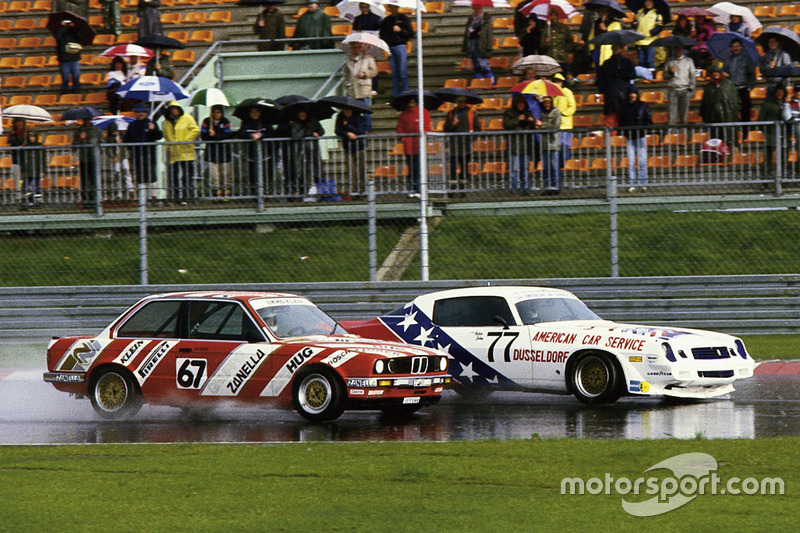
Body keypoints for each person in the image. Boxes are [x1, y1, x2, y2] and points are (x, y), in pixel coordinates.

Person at [162, 101, 200, 204]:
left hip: (186, 152)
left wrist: (186, 140)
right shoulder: (167, 122)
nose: (174, 111)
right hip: (174, 154)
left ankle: (187, 196)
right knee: (174, 176)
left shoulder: (187, 118)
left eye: (175, 108)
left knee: (187, 176)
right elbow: (167, 137)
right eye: (171, 109)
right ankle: (176, 197)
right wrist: (168, 147)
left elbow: (195, 130)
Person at [123, 103, 163, 201]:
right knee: (140, 176)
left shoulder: (151, 123)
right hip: (137, 155)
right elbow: (127, 139)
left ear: (146, 113)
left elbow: (159, 136)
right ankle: (143, 197)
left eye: (142, 112)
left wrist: (152, 130)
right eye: (138, 112)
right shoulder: (132, 125)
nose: (140, 114)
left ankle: (153, 196)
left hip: (149, 154)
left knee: (151, 175)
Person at [444, 96, 481, 194]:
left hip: (466, 144)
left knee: (464, 167)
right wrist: (453, 124)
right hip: (454, 145)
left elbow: (477, 128)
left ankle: (463, 188)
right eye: (460, 102)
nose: (461, 104)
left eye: (463, 102)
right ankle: (452, 188)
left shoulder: (471, 113)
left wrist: (471, 138)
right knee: (453, 167)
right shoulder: (451, 113)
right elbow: (446, 128)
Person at [618, 86, 652, 192]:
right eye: (631, 93)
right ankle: (632, 183)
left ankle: (643, 184)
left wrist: (644, 130)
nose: (632, 95)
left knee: (642, 161)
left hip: (640, 137)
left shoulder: (643, 105)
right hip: (630, 138)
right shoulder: (624, 107)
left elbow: (648, 120)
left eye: (634, 93)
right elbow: (621, 122)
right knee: (631, 162)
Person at [396, 96, 431, 198]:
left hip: (419, 144)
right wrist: (404, 138)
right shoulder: (404, 114)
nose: (411, 103)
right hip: (409, 144)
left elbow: (427, 126)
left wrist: (423, 134)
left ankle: (419, 189)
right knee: (411, 167)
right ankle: (412, 188)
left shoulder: (424, 112)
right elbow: (400, 128)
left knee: (419, 167)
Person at [596, 43, 636, 130]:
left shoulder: (626, 62)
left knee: (621, 119)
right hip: (613, 95)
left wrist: (620, 74)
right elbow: (601, 79)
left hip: (620, 94)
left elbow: (632, 75)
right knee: (611, 120)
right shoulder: (607, 63)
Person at [502, 93, 536, 194]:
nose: (521, 106)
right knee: (515, 170)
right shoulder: (508, 113)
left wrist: (532, 122)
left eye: (523, 104)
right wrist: (517, 119)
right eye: (519, 104)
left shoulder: (528, 113)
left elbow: (534, 127)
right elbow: (506, 125)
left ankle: (526, 189)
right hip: (514, 146)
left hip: (526, 146)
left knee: (525, 169)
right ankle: (514, 189)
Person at [287, 107, 325, 197]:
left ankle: (317, 190)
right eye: (300, 113)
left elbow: (321, 131)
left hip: (313, 150)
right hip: (299, 151)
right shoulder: (295, 123)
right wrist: (308, 131)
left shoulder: (313, 121)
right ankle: (301, 191)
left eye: (303, 112)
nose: (302, 115)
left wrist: (318, 133)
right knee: (300, 171)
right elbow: (295, 136)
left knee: (316, 169)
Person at [700, 65, 740, 147]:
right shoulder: (708, 87)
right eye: (714, 74)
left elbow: (736, 100)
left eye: (717, 73)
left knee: (730, 140)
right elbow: (704, 102)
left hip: (728, 117)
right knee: (716, 141)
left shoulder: (729, 85)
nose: (716, 75)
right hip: (713, 118)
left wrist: (734, 112)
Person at [238, 106, 274, 196]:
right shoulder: (246, 122)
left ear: (260, 112)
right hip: (251, 154)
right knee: (252, 174)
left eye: (256, 111)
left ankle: (266, 193)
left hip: (265, 154)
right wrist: (251, 135)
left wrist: (261, 134)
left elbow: (271, 133)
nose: (254, 113)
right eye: (252, 112)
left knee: (266, 174)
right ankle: (254, 193)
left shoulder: (265, 122)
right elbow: (241, 133)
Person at [379, 2, 413, 99]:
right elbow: (382, 34)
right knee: (394, 73)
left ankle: (405, 92)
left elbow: (410, 34)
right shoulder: (387, 20)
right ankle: (395, 95)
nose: (392, 9)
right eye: (391, 7)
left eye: (394, 7)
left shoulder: (404, 19)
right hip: (390, 47)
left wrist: (400, 31)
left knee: (402, 71)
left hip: (400, 46)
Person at [757, 84, 791, 176]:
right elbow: (760, 119)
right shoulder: (767, 104)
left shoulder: (788, 104)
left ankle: (783, 179)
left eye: (781, 91)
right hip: (771, 134)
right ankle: (765, 181)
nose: (779, 93)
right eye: (778, 91)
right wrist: (766, 131)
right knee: (768, 159)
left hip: (785, 135)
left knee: (784, 159)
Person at [343, 41, 377, 132]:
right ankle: (358, 131)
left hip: (364, 89)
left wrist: (365, 74)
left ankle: (367, 131)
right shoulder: (348, 60)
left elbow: (374, 71)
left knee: (366, 113)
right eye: (354, 47)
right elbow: (346, 74)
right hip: (352, 90)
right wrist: (347, 83)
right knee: (355, 114)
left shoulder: (367, 58)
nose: (356, 49)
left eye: (358, 47)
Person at [334, 107, 369, 196]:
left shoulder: (358, 117)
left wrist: (348, 125)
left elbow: (360, 131)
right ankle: (354, 191)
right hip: (348, 147)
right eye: (345, 109)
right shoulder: (340, 117)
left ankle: (363, 190)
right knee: (351, 169)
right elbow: (337, 130)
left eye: (349, 110)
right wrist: (347, 133)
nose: (347, 111)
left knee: (361, 169)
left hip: (359, 146)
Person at [201, 105, 233, 198]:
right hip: (212, 153)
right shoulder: (207, 121)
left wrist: (215, 135)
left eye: (218, 112)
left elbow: (227, 135)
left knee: (225, 174)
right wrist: (209, 135)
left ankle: (226, 194)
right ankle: (216, 194)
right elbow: (203, 136)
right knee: (214, 176)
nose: (216, 114)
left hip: (224, 153)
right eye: (214, 112)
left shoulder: (225, 121)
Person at [722, 38, 756, 124]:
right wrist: (724, 74)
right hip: (731, 89)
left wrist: (749, 87)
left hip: (743, 88)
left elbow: (752, 74)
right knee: (731, 112)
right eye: (733, 47)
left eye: (737, 46)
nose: (735, 48)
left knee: (745, 112)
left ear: (741, 47)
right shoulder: (727, 60)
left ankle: (745, 133)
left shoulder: (747, 59)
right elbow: (723, 72)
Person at [72, 117, 103, 206]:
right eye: (85, 119)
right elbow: (74, 146)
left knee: (94, 179)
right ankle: (85, 199)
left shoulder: (96, 130)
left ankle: (95, 198)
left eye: (88, 119)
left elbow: (101, 142)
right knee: (84, 180)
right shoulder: (79, 131)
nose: (86, 121)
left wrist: (98, 152)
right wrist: (81, 139)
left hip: (94, 158)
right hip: (83, 158)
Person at [664, 45, 696, 127]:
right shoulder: (669, 61)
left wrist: (691, 88)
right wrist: (671, 72)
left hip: (685, 89)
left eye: (681, 49)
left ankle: (683, 132)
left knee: (684, 113)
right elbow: (665, 76)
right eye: (677, 49)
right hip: (673, 89)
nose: (679, 50)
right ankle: (670, 132)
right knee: (671, 113)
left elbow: (692, 75)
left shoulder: (689, 61)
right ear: (674, 50)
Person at [101, 122, 134, 199]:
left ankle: (130, 188)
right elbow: (108, 149)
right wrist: (113, 157)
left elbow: (127, 143)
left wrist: (121, 142)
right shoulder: (108, 139)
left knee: (127, 171)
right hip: (116, 158)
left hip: (123, 156)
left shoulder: (122, 136)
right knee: (117, 173)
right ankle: (118, 192)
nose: (115, 132)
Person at [463, 4, 494, 82]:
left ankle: (490, 80)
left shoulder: (486, 19)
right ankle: (478, 79)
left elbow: (489, 34)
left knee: (484, 64)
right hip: (473, 43)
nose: (477, 10)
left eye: (478, 8)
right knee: (476, 64)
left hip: (483, 44)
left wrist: (488, 47)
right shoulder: (471, 19)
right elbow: (467, 32)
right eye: (475, 9)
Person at [552, 72, 576, 170]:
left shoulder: (567, 92)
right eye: (555, 81)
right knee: (557, 147)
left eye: (559, 81)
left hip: (565, 125)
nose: (557, 83)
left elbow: (572, 106)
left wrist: (563, 113)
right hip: (556, 125)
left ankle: (565, 167)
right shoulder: (553, 95)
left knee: (564, 146)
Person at [538, 96, 561, 194]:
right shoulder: (541, 113)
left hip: (554, 143)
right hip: (544, 143)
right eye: (545, 103)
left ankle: (556, 187)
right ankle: (547, 187)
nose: (546, 105)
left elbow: (556, 125)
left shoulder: (556, 111)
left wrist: (542, 124)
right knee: (546, 167)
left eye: (548, 103)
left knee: (555, 167)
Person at [541, 9, 574, 76]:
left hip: (562, 58)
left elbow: (569, 42)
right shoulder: (545, 30)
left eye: (555, 15)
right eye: (551, 16)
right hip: (550, 59)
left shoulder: (564, 28)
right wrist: (547, 42)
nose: (553, 17)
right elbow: (542, 46)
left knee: (563, 77)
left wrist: (570, 53)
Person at [54, 19, 83, 94]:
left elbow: (80, 37)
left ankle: (76, 91)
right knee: (65, 78)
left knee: (76, 76)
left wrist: (74, 28)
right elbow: (58, 37)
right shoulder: (59, 30)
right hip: (64, 58)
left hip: (74, 57)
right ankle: (64, 92)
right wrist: (62, 27)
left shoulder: (74, 30)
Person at [634, 0, 663, 70]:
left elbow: (660, 25)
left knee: (649, 60)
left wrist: (654, 31)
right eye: (647, 2)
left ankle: (651, 75)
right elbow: (635, 22)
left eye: (650, 2)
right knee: (641, 60)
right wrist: (633, 24)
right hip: (639, 40)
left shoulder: (656, 13)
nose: (648, 3)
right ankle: (642, 76)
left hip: (650, 41)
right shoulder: (639, 12)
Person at [19, 130, 45, 208]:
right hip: (28, 170)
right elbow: (22, 160)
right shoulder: (25, 147)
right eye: (30, 136)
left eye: (33, 136)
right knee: (25, 186)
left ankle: (36, 201)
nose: (32, 138)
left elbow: (43, 160)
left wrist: (43, 170)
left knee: (36, 186)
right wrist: (23, 170)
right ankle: (27, 201)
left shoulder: (40, 146)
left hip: (37, 169)